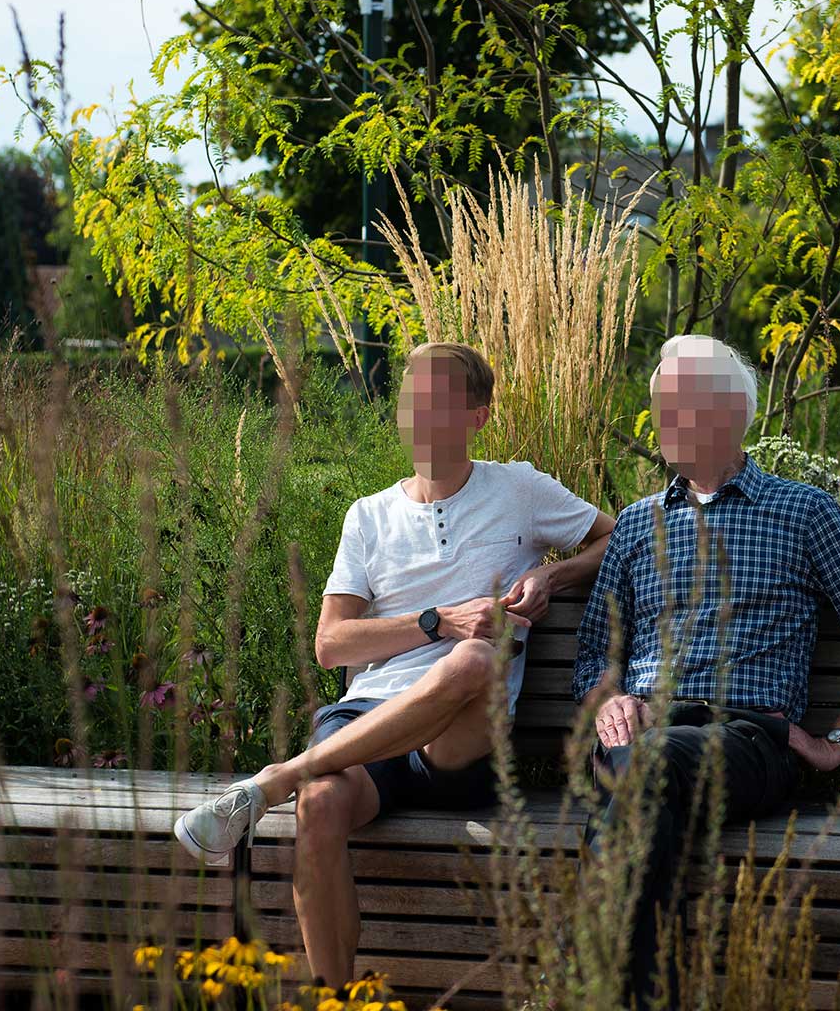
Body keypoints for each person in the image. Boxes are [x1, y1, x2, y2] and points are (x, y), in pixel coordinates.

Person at [174, 342, 616, 986]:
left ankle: (275, 779)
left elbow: (616, 537)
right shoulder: (369, 517)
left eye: (437, 399)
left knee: (474, 659)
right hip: (365, 723)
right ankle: (336, 998)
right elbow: (332, 643)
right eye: (412, 398)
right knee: (319, 806)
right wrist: (437, 620)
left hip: (457, 744)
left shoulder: (519, 490)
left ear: (477, 416)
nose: (419, 411)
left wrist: (553, 575)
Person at [573, 334, 840, 1010]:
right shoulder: (639, 525)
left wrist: (837, 743)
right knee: (644, 788)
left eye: (680, 403)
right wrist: (609, 702)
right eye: (659, 404)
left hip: (748, 740)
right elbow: (594, 651)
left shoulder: (803, 512)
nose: (662, 418)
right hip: (641, 737)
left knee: (640, 775)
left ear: (731, 412)